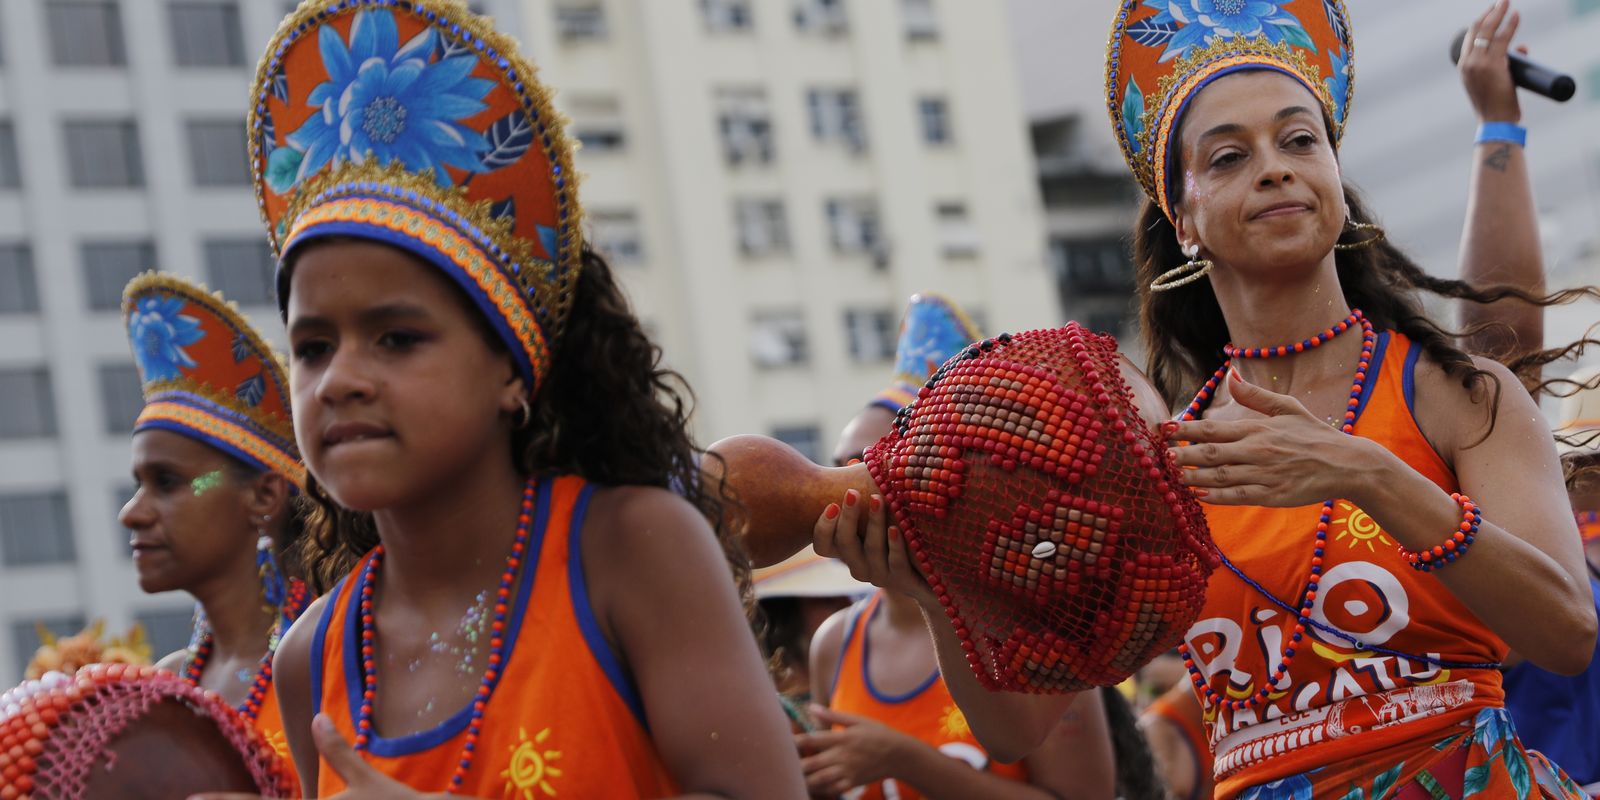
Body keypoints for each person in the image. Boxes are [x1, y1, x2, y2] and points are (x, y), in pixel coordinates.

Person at [815, 0, 1598, 796]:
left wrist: (1370, 475)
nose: (1276, 166)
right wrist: (935, 593)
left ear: (1334, 173)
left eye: (1301, 140)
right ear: (1183, 220)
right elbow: (1017, 727)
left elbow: (1567, 632)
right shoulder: (1156, 466)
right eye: (1228, 157)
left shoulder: (1457, 396)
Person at [201, 2, 806, 797]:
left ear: (512, 371)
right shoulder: (310, 657)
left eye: (397, 338)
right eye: (314, 346)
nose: (339, 378)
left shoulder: (631, 550)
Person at [797, 294, 1121, 800]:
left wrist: (905, 761)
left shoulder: (1033, 630)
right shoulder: (834, 645)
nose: (844, 488)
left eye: (868, 465)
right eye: (836, 466)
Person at [117, 273, 311, 776]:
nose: (131, 513)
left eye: (168, 483)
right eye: (140, 484)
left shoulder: (333, 655)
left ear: (263, 495)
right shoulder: (169, 687)